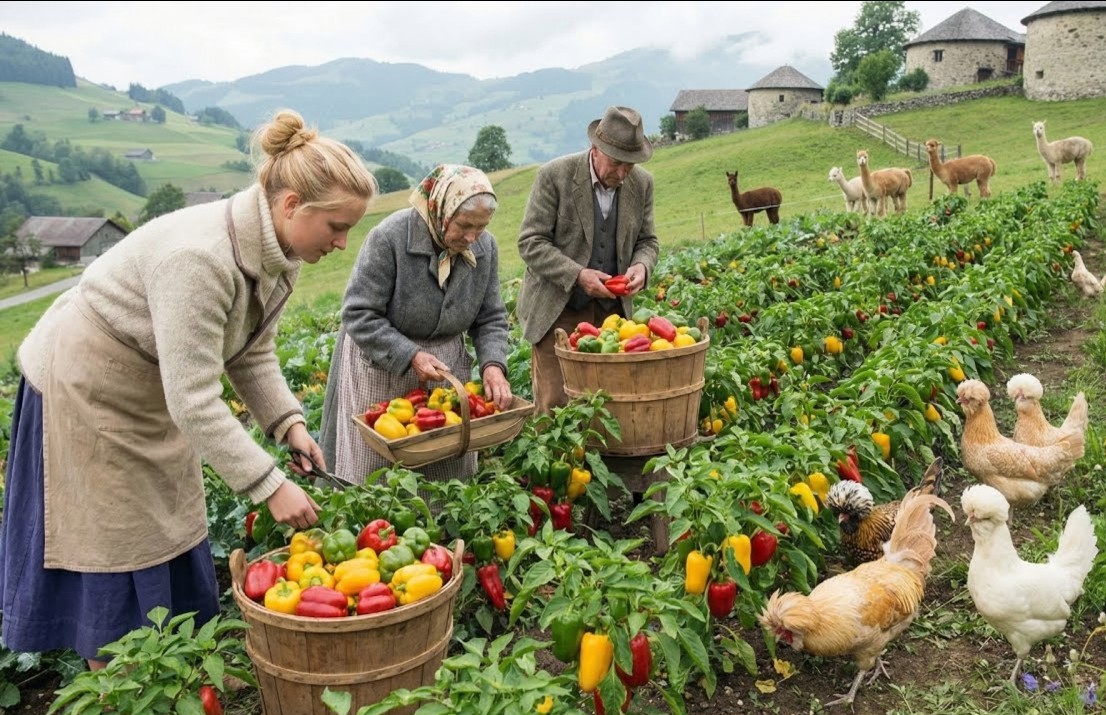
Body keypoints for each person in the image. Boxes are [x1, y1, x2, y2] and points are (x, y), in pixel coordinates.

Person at [0, 109, 377, 668]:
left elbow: (251, 351)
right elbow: (195, 398)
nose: (344, 243)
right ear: (292, 205)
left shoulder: (280, 253)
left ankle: (172, 670)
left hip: (152, 385)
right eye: (337, 227)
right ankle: (118, 686)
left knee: (168, 518)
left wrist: (287, 425)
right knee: (114, 542)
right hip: (85, 387)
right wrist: (270, 485)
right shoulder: (198, 259)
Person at [321, 164, 512, 483]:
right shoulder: (389, 238)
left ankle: (444, 529)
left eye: (480, 227)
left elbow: (490, 315)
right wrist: (410, 355)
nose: (471, 237)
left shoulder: (484, 246)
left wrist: (494, 365)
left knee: (445, 462)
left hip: (444, 367)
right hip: (383, 364)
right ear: (440, 210)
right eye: (464, 226)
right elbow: (358, 313)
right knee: (381, 469)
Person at [516, 105, 660, 414]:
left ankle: (601, 463)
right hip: (559, 309)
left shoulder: (642, 184)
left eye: (630, 165)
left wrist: (641, 267)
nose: (622, 174)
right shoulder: (555, 176)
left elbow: (647, 241)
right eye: (617, 163)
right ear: (595, 149)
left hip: (612, 316)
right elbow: (530, 242)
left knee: (610, 403)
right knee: (557, 403)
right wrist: (578, 275)